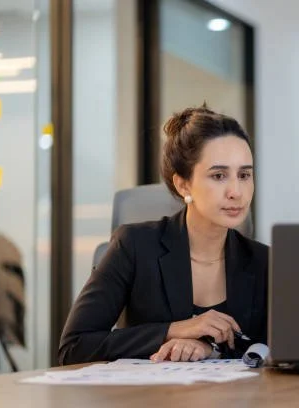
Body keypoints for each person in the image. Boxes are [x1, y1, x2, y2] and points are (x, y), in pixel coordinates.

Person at [59, 105, 268, 365]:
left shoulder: (264, 261)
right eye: (219, 175)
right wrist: (172, 330)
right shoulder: (134, 246)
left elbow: (273, 346)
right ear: (183, 184)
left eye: (244, 175)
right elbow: (75, 346)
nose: (237, 191)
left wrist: (209, 349)